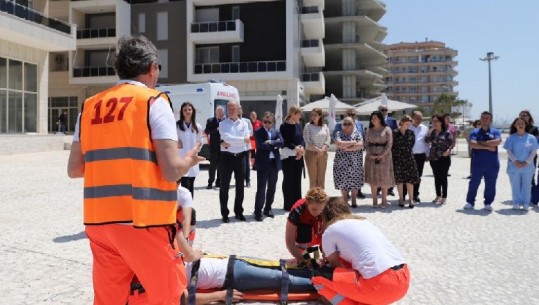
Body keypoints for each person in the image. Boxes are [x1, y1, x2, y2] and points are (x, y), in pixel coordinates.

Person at [66, 35, 204, 305]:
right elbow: (171, 171)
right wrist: (188, 159)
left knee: (110, 299)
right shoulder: (153, 101)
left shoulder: (90, 106)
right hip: (143, 221)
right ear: (152, 67)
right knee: (170, 296)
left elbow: (74, 168)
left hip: (99, 222)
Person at [311, 198, 410, 305]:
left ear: (325, 216)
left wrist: (323, 264)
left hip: (379, 286)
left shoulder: (330, 230)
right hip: (403, 281)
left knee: (317, 276)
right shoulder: (365, 222)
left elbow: (335, 267)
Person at [219, 100, 250, 223]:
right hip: (226, 157)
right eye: (229, 108)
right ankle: (224, 213)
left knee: (240, 187)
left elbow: (246, 140)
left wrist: (233, 142)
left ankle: (238, 211)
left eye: (233, 108)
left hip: (240, 157)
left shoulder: (244, 124)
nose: (231, 110)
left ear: (238, 109)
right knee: (224, 186)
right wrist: (242, 140)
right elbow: (226, 138)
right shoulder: (223, 124)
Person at [464, 111, 502, 211]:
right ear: (480, 119)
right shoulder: (475, 132)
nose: (485, 119)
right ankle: (470, 202)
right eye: (483, 117)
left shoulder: (495, 132)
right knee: (474, 183)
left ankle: (488, 203)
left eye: (487, 118)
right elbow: (472, 144)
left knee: (491, 184)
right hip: (477, 163)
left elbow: (497, 142)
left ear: (491, 120)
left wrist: (480, 143)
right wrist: (488, 147)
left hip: (492, 163)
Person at [253, 112, 283, 221]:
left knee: (272, 187)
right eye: (265, 122)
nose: (267, 124)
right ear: (262, 121)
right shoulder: (258, 131)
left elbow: (282, 142)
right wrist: (275, 145)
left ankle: (268, 208)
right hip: (262, 163)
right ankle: (258, 211)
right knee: (261, 188)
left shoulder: (276, 131)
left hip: (274, 163)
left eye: (269, 122)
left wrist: (270, 142)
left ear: (273, 122)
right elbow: (260, 145)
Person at [503, 117, 538, 210]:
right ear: (515, 125)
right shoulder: (511, 137)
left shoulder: (531, 138)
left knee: (527, 185)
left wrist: (526, 162)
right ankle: (516, 202)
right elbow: (509, 151)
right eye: (518, 123)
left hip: (528, 167)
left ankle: (526, 203)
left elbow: (533, 152)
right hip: (514, 166)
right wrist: (515, 161)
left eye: (522, 123)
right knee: (515, 185)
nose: (520, 125)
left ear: (525, 125)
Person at [285, 188, 329, 262]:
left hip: (317, 234)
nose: (317, 213)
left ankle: (316, 255)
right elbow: (289, 242)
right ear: (307, 202)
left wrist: (325, 257)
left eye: (320, 210)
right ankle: (305, 254)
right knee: (305, 231)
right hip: (303, 234)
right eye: (314, 209)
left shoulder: (326, 209)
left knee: (328, 235)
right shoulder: (297, 211)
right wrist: (305, 260)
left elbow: (327, 237)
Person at [332, 109, 366, 198]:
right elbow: (336, 140)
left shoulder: (360, 124)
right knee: (344, 175)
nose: (351, 115)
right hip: (342, 156)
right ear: (346, 114)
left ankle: (358, 192)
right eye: (349, 113)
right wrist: (353, 143)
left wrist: (347, 148)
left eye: (353, 114)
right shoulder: (340, 124)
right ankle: (346, 195)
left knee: (356, 174)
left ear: (356, 115)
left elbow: (362, 141)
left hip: (356, 155)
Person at [364, 111, 395, 209]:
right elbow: (366, 144)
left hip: (385, 158)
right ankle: (374, 200)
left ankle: (384, 200)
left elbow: (389, 143)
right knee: (373, 179)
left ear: (380, 118)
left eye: (375, 118)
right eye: (372, 118)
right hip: (371, 157)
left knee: (384, 179)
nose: (373, 120)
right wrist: (370, 154)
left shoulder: (387, 129)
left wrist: (382, 155)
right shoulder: (369, 130)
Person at [280, 105, 306, 211]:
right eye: (299, 114)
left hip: (299, 156)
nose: (300, 116)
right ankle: (288, 204)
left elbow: (302, 139)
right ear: (293, 114)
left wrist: (301, 148)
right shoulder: (283, 126)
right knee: (288, 180)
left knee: (297, 180)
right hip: (288, 157)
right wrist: (295, 148)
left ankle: (297, 203)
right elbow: (284, 141)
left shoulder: (298, 125)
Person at [392, 115, 420, 208]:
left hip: (409, 159)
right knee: (399, 180)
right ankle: (401, 199)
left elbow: (412, 145)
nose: (408, 126)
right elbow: (392, 146)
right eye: (406, 124)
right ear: (402, 123)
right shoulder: (394, 133)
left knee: (410, 180)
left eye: (409, 124)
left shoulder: (411, 133)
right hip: (398, 159)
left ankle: (411, 199)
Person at [425, 114, 453, 205]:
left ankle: (444, 197)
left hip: (444, 158)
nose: (435, 123)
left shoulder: (447, 132)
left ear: (441, 122)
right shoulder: (433, 133)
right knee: (436, 177)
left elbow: (450, 144)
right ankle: (438, 195)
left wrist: (448, 151)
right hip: (433, 158)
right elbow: (426, 140)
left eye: (436, 121)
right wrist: (430, 130)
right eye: (433, 121)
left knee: (443, 177)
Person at [176, 102, 203, 197]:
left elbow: (200, 141)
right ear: (182, 112)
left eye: (189, 110)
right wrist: (176, 143)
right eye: (185, 110)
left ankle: (189, 206)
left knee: (191, 183)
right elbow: (173, 139)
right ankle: (185, 206)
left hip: (193, 158)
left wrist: (196, 147)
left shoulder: (197, 126)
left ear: (193, 111)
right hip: (182, 158)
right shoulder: (177, 126)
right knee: (184, 184)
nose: (187, 111)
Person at [403, 111, 429, 203]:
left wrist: (427, 154)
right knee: (407, 175)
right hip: (409, 155)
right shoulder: (407, 127)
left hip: (421, 156)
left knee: (418, 176)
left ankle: (415, 194)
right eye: (418, 118)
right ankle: (404, 194)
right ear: (413, 118)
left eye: (421, 118)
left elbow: (426, 142)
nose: (419, 120)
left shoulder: (425, 128)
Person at [303, 108, 331, 189]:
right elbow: (307, 140)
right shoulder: (308, 126)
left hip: (323, 154)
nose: (313, 117)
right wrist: (317, 150)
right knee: (313, 179)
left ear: (320, 116)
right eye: (312, 115)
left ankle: (321, 199)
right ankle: (312, 199)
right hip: (311, 153)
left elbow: (328, 139)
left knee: (321, 178)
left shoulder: (325, 127)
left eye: (315, 115)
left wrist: (323, 149)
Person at [379, 105, 397, 196]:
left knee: (390, 169)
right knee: (378, 168)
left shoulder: (392, 121)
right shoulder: (375, 120)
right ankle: (378, 188)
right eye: (382, 110)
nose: (384, 111)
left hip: (391, 148)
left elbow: (396, 133)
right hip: (378, 148)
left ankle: (390, 189)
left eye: (386, 110)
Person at [205, 106, 225, 189]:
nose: (220, 113)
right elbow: (207, 131)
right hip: (213, 146)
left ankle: (218, 181)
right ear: (215, 112)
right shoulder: (210, 120)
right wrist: (216, 129)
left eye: (221, 112)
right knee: (213, 165)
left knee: (221, 165)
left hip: (223, 146)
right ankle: (210, 182)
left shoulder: (225, 121)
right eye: (219, 112)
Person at [519, 110, 539, 190]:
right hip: (518, 156)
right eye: (521, 115)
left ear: (529, 117)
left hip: (531, 156)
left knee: (531, 176)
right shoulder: (516, 128)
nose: (523, 116)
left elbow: (536, 143)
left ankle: (533, 197)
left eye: (525, 115)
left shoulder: (534, 129)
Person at [238, 106, 254, 188]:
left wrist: (244, 134)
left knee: (247, 164)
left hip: (246, 146)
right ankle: (239, 179)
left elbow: (251, 132)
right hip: (237, 146)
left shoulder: (247, 121)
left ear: (242, 111)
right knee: (239, 164)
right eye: (237, 110)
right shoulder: (234, 121)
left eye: (240, 110)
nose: (239, 112)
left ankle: (247, 180)